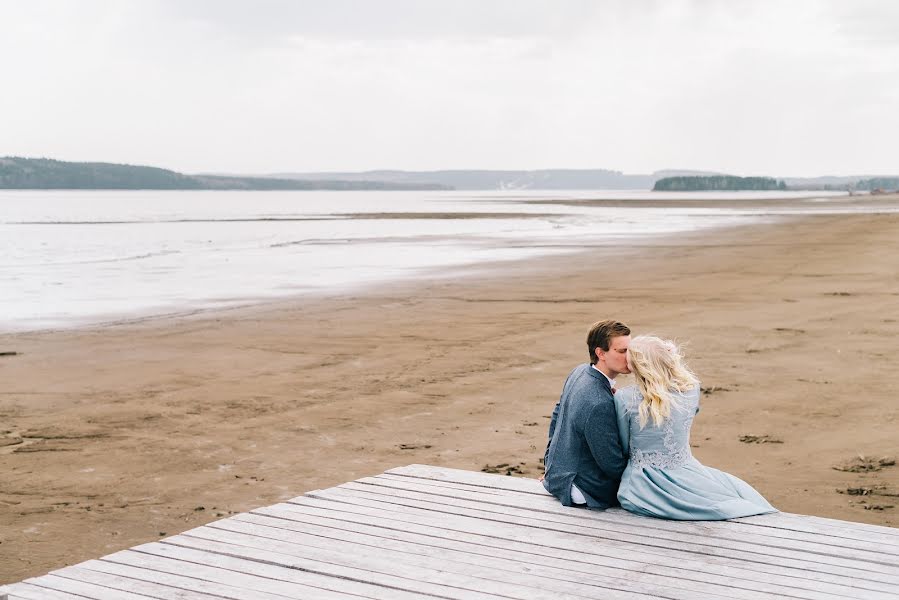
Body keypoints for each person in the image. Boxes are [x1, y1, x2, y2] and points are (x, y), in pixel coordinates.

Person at [614, 335, 777, 520]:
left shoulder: (624, 398)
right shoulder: (692, 389)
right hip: (687, 468)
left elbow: (624, 444)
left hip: (644, 482)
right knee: (726, 494)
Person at [542, 320, 631, 508]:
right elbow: (611, 463)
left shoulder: (580, 371)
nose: (629, 357)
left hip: (559, 476)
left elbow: (557, 414)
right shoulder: (599, 402)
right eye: (622, 351)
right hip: (584, 488)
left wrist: (551, 464)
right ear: (601, 353)